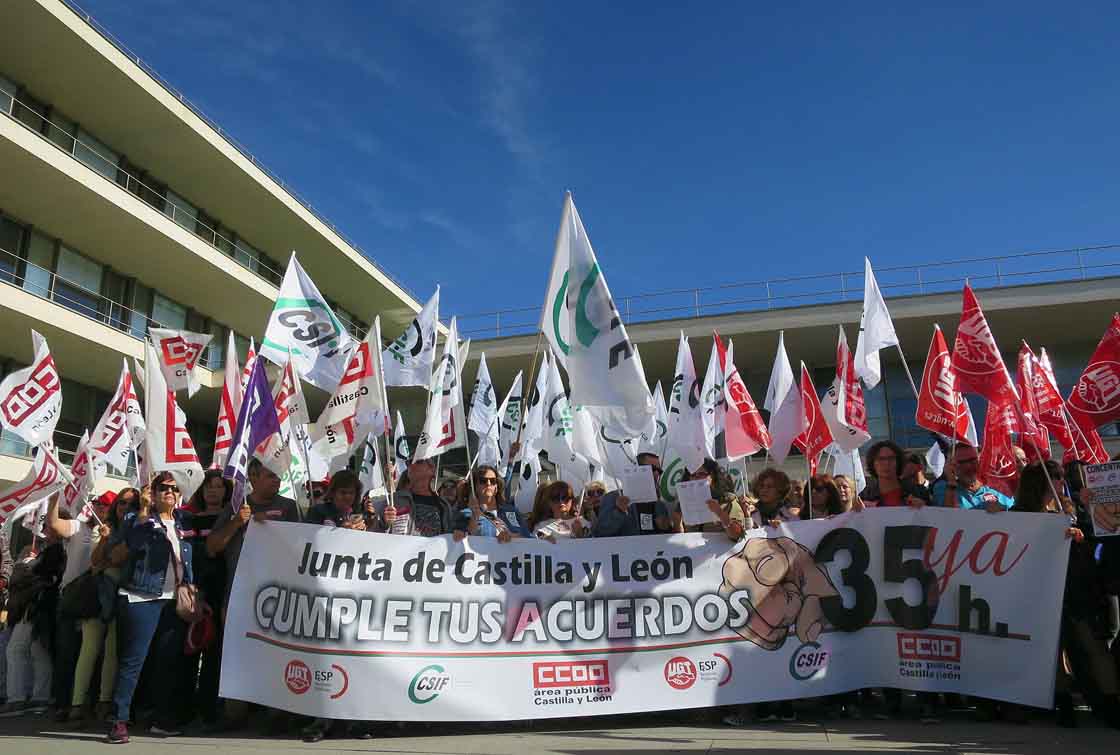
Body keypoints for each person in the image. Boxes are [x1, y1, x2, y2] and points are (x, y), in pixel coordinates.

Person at [1007, 461, 1117, 728]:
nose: (1061, 481)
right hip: (1041, 591)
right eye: (1055, 477)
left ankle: (1111, 702)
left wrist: (1081, 533)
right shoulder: (1019, 513)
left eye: (1060, 476)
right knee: (1052, 650)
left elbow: (1099, 537)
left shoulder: (1070, 508)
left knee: (1093, 646)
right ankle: (1062, 701)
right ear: (1039, 482)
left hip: (1077, 590)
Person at [206, 459, 300, 733]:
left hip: (279, 595)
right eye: (271, 475)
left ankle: (277, 715)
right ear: (254, 477)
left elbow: (302, 546)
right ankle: (235, 713)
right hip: (239, 595)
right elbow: (212, 547)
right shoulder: (237, 507)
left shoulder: (288, 507)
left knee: (277, 653)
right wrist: (238, 523)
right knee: (237, 655)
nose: (277, 481)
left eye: (278, 476)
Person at [104, 473, 195, 743]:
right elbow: (130, 545)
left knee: (167, 662)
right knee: (133, 661)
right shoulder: (136, 519)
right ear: (153, 493)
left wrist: (192, 585)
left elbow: (188, 557)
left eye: (174, 488)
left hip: (172, 600)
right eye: (163, 488)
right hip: (140, 596)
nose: (169, 492)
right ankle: (119, 720)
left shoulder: (182, 521)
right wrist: (143, 510)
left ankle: (160, 718)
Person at [47, 490, 116, 725]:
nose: (103, 508)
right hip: (74, 598)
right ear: (93, 506)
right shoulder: (78, 527)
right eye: (99, 504)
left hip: (100, 599)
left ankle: (90, 702)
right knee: (67, 652)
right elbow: (55, 525)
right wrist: (54, 498)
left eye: (109, 505)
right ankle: (64, 704)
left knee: (95, 654)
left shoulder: (117, 533)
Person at [180, 472, 230, 730]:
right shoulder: (189, 520)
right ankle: (185, 707)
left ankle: (210, 709)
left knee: (215, 654)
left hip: (224, 589)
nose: (213, 491)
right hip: (197, 590)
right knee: (189, 650)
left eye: (219, 487)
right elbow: (193, 556)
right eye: (208, 486)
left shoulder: (233, 518)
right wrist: (197, 592)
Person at [1, 530, 65, 717]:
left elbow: (43, 577)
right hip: (36, 606)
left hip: (36, 606)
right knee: (36, 650)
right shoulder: (49, 550)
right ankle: (38, 696)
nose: (45, 529)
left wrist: (27, 567)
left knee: (16, 649)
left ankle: (17, 698)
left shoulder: (56, 551)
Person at [592, 453, 675, 537]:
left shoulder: (659, 504)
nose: (657, 474)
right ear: (637, 469)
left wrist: (666, 527)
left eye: (659, 471)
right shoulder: (613, 497)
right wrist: (619, 511)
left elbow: (667, 538)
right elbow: (601, 532)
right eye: (652, 469)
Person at [453, 466, 531, 541]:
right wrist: (474, 516)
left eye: (493, 481)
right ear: (475, 487)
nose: (488, 483)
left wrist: (511, 536)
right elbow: (461, 540)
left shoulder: (511, 510)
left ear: (496, 487)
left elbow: (529, 537)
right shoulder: (465, 514)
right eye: (483, 481)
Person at [379, 459, 453, 537]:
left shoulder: (444, 506)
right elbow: (374, 531)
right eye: (409, 462)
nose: (411, 465)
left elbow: (449, 539)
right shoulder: (395, 499)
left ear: (432, 469)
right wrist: (384, 522)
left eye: (418, 461)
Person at [930, 444, 1014, 511]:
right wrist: (951, 483)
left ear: (980, 459)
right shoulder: (943, 488)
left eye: (972, 460)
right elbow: (946, 518)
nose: (968, 466)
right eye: (961, 462)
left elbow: (1016, 516)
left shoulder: (999, 488)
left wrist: (1003, 512)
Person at [680, 459, 747, 539]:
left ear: (713, 476)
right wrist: (677, 523)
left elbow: (738, 536)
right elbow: (683, 540)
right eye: (693, 474)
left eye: (701, 474)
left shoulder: (729, 501)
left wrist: (720, 513)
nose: (696, 478)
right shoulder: (686, 502)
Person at [860, 440, 931, 509]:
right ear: (872, 464)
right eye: (881, 459)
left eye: (891, 458)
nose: (886, 463)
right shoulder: (864, 497)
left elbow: (935, 517)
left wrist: (924, 508)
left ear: (898, 462)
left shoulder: (920, 493)